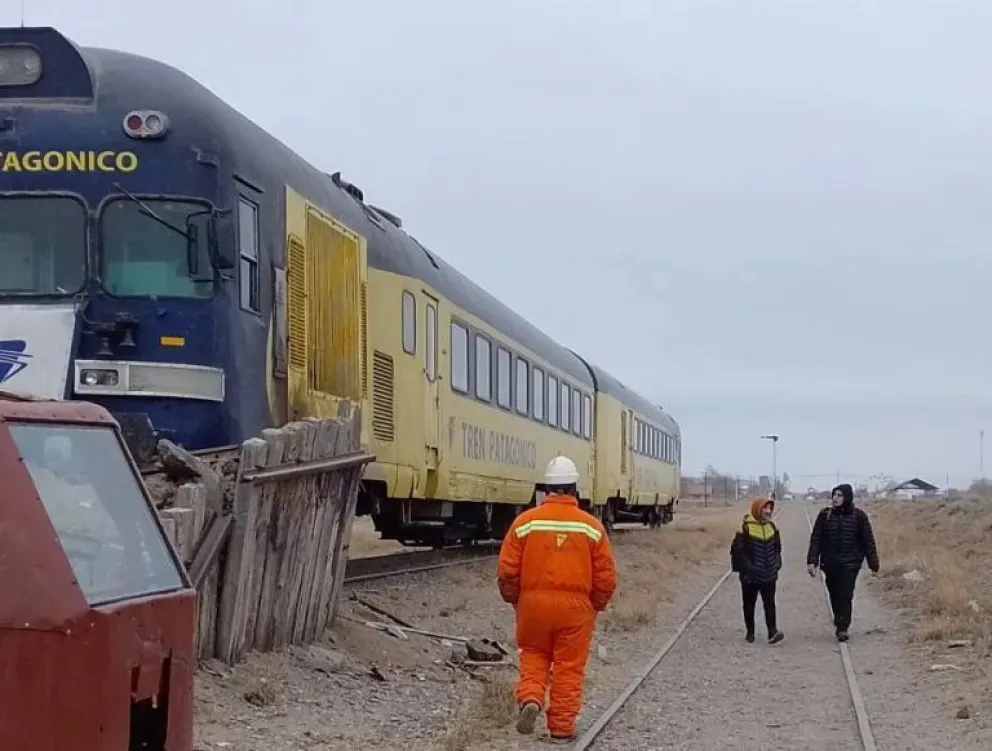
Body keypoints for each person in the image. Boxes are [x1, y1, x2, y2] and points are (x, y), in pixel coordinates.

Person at [496, 455, 617, 741]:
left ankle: (531, 699)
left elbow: (506, 571)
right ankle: (562, 728)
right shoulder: (591, 527)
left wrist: (515, 599)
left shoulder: (524, 523)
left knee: (534, 654)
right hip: (575, 610)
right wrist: (595, 605)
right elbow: (606, 578)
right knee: (568, 666)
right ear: (574, 487)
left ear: (546, 488)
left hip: (533, 607)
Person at [805, 482, 880, 642]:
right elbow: (816, 538)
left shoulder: (859, 516)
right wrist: (812, 561)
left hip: (850, 564)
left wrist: (873, 563)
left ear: (847, 497)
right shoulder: (825, 515)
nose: (836, 498)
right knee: (834, 593)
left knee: (845, 594)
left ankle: (842, 627)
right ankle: (839, 618)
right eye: (834, 495)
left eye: (839, 495)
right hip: (830, 563)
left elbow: (868, 541)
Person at [730, 497, 784, 644]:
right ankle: (750, 632)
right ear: (757, 509)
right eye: (765, 508)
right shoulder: (745, 528)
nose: (768, 511)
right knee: (749, 604)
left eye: (770, 509)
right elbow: (737, 552)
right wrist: (749, 568)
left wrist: (777, 563)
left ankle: (772, 632)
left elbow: (777, 548)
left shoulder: (772, 527)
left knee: (770, 603)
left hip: (769, 574)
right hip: (750, 576)